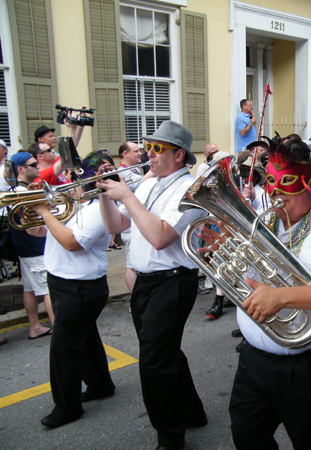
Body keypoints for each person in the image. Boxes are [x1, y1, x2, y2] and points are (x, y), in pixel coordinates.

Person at [200, 136, 311, 450]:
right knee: (247, 437)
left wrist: (281, 297)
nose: (275, 191)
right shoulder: (262, 224)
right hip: (253, 361)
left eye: (287, 181)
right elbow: (246, 281)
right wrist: (223, 255)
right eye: (271, 181)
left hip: (308, 369)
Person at [97, 120, 207, 450]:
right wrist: (105, 193)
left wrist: (127, 195)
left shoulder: (188, 191)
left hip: (173, 281)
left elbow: (160, 237)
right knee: (165, 352)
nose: (150, 154)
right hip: (145, 283)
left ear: (179, 155)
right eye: (148, 147)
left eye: (157, 148)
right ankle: (193, 412)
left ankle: (170, 438)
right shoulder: (148, 185)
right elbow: (116, 224)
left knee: (153, 362)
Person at [28, 152, 116, 429]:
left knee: (64, 349)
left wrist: (43, 210)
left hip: (81, 286)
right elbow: (39, 234)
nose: (72, 182)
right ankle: (101, 385)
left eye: (78, 177)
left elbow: (71, 242)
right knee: (87, 339)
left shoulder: (97, 209)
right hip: (63, 281)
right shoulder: (73, 204)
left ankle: (67, 408)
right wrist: (35, 208)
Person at [8, 152, 54, 339]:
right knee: (48, 290)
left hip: (23, 248)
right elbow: (34, 225)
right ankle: (56, 325)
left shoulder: (14, 191)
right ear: (21, 169)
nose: (37, 166)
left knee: (29, 288)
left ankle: (35, 326)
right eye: (33, 164)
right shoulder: (25, 192)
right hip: (35, 247)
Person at [117, 142, 144, 294]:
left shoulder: (134, 169)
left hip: (136, 222)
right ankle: (134, 299)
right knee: (131, 264)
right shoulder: (122, 172)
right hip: (129, 224)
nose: (139, 153)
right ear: (125, 154)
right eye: (135, 151)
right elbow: (142, 184)